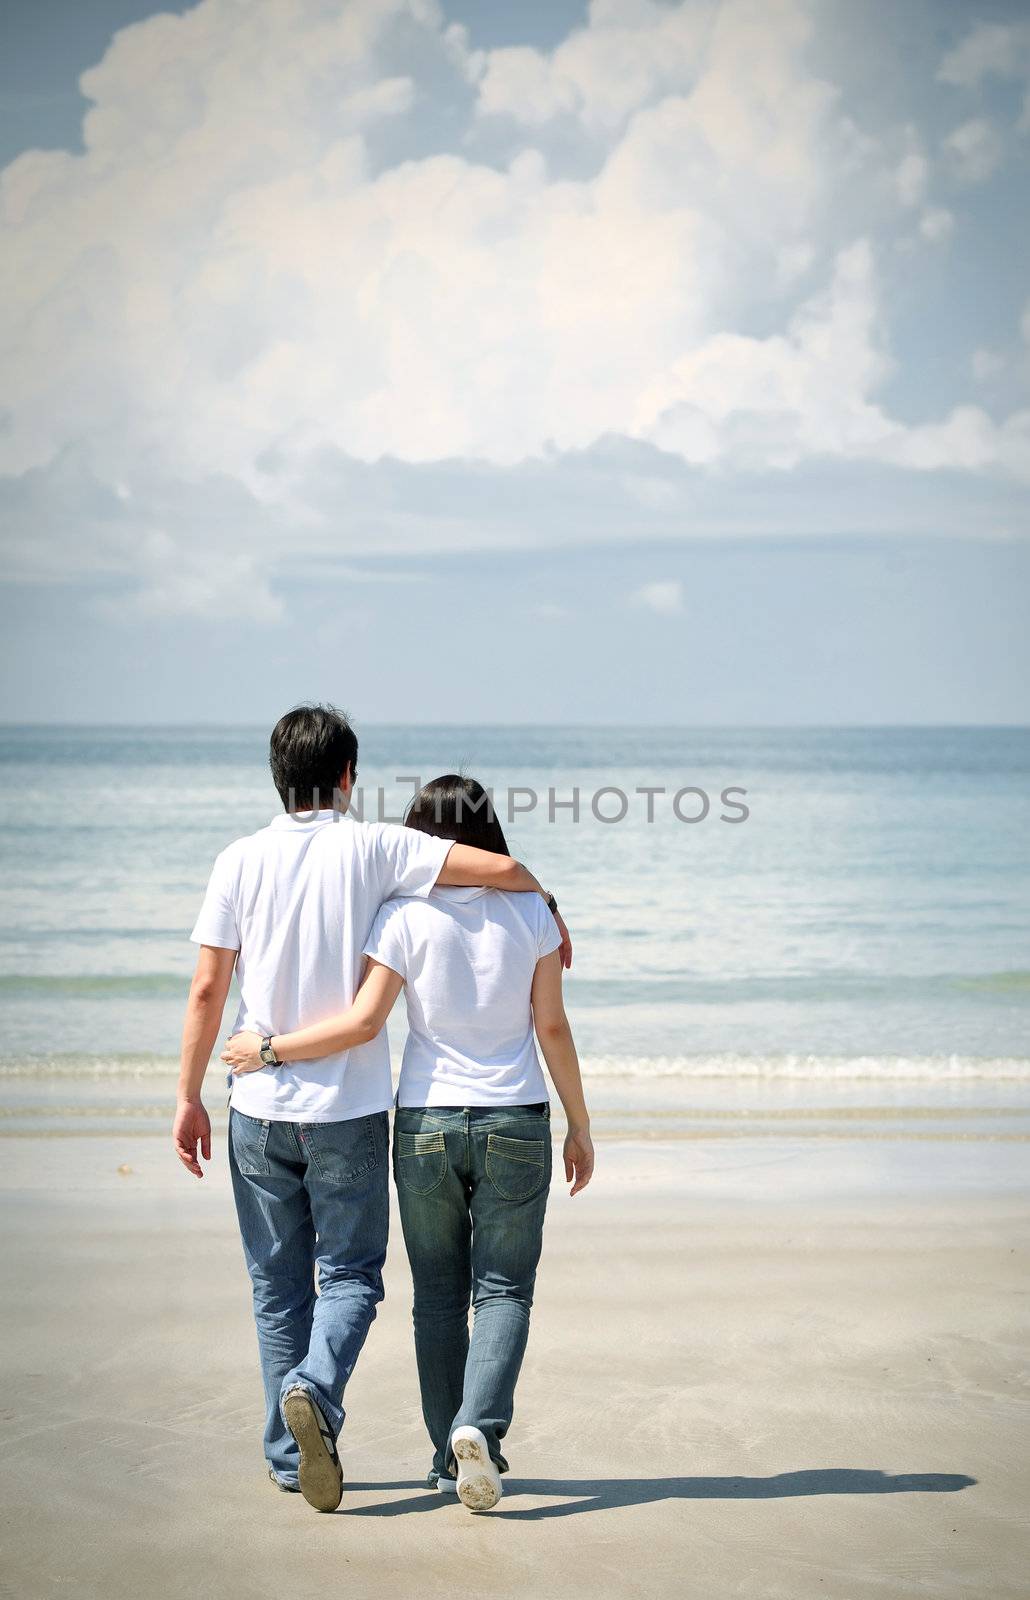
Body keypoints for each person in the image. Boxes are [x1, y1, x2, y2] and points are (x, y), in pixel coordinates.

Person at [173, 710, 569, 1514]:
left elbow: (210, 988)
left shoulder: (238, 859)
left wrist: (186, 1095)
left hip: (256, 1102)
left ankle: (291, 1457)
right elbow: (499, 868)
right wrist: (548, 905)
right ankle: (320, 1389)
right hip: (350, 1108)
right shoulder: (383, 847)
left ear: (276, 776)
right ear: (350, 775)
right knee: (351, 1276)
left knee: (276, 1287)